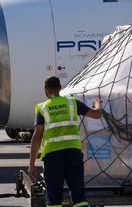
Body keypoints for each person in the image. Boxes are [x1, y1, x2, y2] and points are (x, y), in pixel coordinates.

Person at [28, 76, 103, 207]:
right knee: (79, 197)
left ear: (45, 90)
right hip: (73, 154)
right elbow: (96, 115)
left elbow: (36, 136)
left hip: (52, 157)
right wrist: (98, 104)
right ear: (60, 88)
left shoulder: (43, 108)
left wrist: (31, 164)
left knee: (54, 198)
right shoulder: (72, 103)